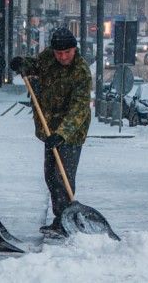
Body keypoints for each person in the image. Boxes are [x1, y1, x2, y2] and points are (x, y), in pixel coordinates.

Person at [9, 27, 91, 238]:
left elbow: (79, 108)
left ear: (75, 49)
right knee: (51, 176)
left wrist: (62, 133)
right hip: (48, 127)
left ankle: (65, 221)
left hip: (71, 133)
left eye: (67, 53)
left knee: (62, 176)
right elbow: (34, 65)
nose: (62, 57)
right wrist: (21, 63)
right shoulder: (49, 57)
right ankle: (60, 218)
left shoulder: (81, 71)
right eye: (58, 53)